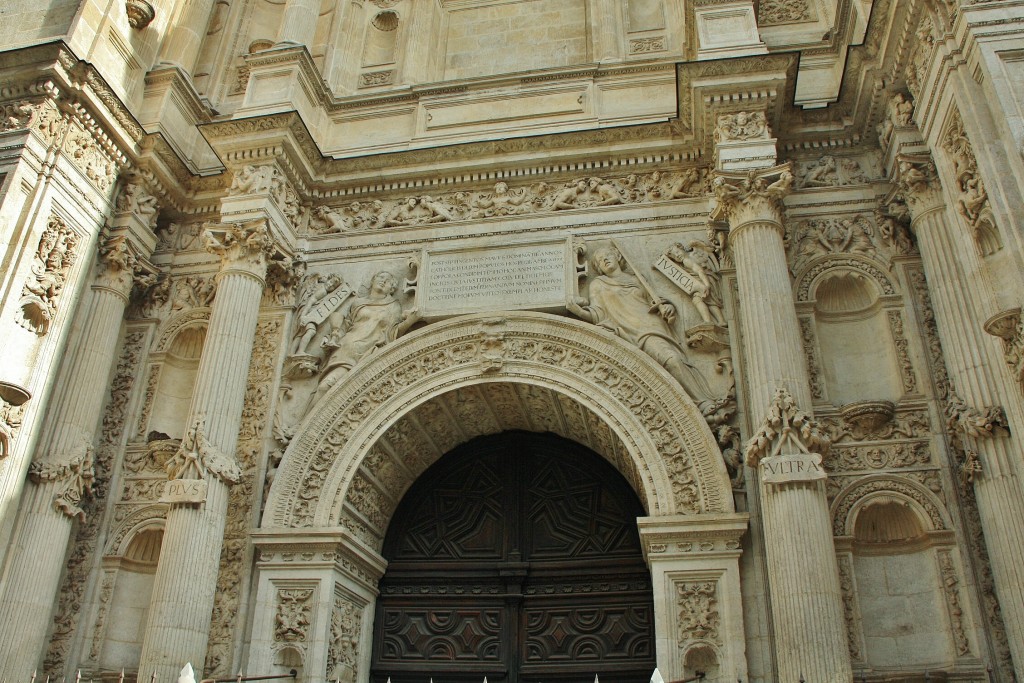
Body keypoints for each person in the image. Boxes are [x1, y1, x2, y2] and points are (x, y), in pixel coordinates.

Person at [568, 246, 714, 407]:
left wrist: (668, 308)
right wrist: (579, 312)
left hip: (651, 328)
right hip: (625, 331)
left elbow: (655, 301)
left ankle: (700, 402)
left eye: (607, 255)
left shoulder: (637, 279)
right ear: (598, 268)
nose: (605, 259)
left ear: (617, 256)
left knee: (673, 360)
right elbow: (598, 314)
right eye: (600, 260)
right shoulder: (598, 284)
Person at [314, 271, 417, 402]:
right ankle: (302, 423)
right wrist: (332, 337)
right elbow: (346, 326)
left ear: (391, 289)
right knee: (325, 387)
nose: (383, 281)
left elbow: (393, 332)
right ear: (372, 280)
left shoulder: (393, 306)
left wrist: (410, 321)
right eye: (380, 277)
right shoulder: (358, 303)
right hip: (346, 350)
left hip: (369, 353)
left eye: (388, 281)